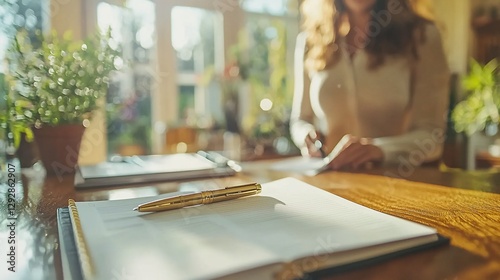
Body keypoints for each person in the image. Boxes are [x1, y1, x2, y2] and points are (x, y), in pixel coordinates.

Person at [290, 0, 450, 170]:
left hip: (396, 182)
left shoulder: (422, 36)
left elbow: (431, 137)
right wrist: (307, 136)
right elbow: (300, 120)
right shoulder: (311, 41)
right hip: (329, 179)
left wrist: (379, 150)